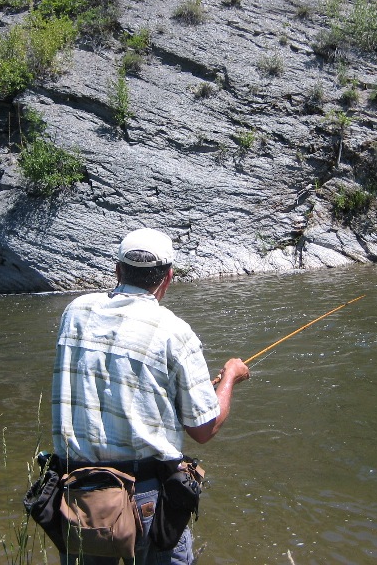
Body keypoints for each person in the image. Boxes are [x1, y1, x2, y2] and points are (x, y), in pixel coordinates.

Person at [51, 227, 250, 565]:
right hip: (145, 499)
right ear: (168, 278)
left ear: (117, 271)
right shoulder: (174, 331)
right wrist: (230, 377)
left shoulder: (75, 313)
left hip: (79, 498)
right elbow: (204, 429)